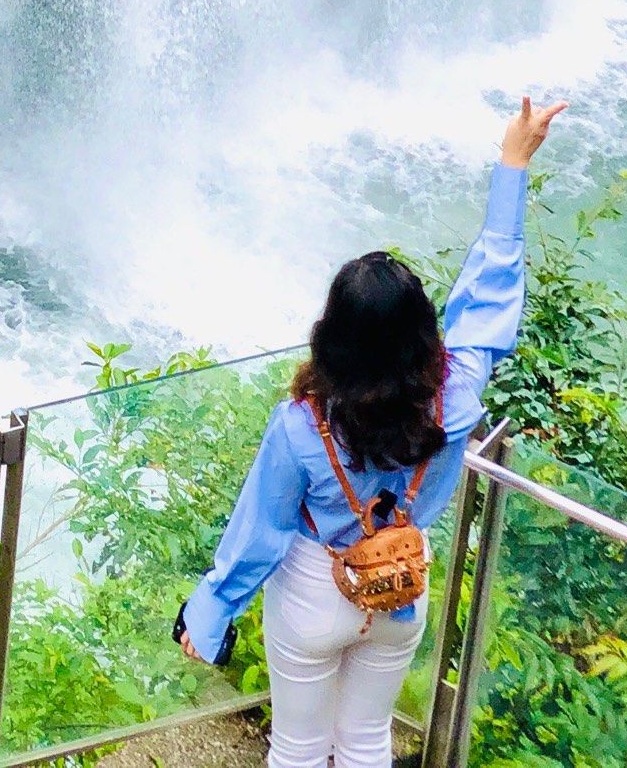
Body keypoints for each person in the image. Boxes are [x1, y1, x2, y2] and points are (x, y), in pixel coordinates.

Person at [176, 95, 568, 768]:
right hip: (398, 591)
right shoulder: (459, 395)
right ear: (423, 334)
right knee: (365, 744)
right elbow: (491, 301)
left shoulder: (304, 423)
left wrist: (211, 612)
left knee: (298, 749)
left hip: (311, 591)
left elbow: (261, 531)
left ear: (333, 340)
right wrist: (512, 163)